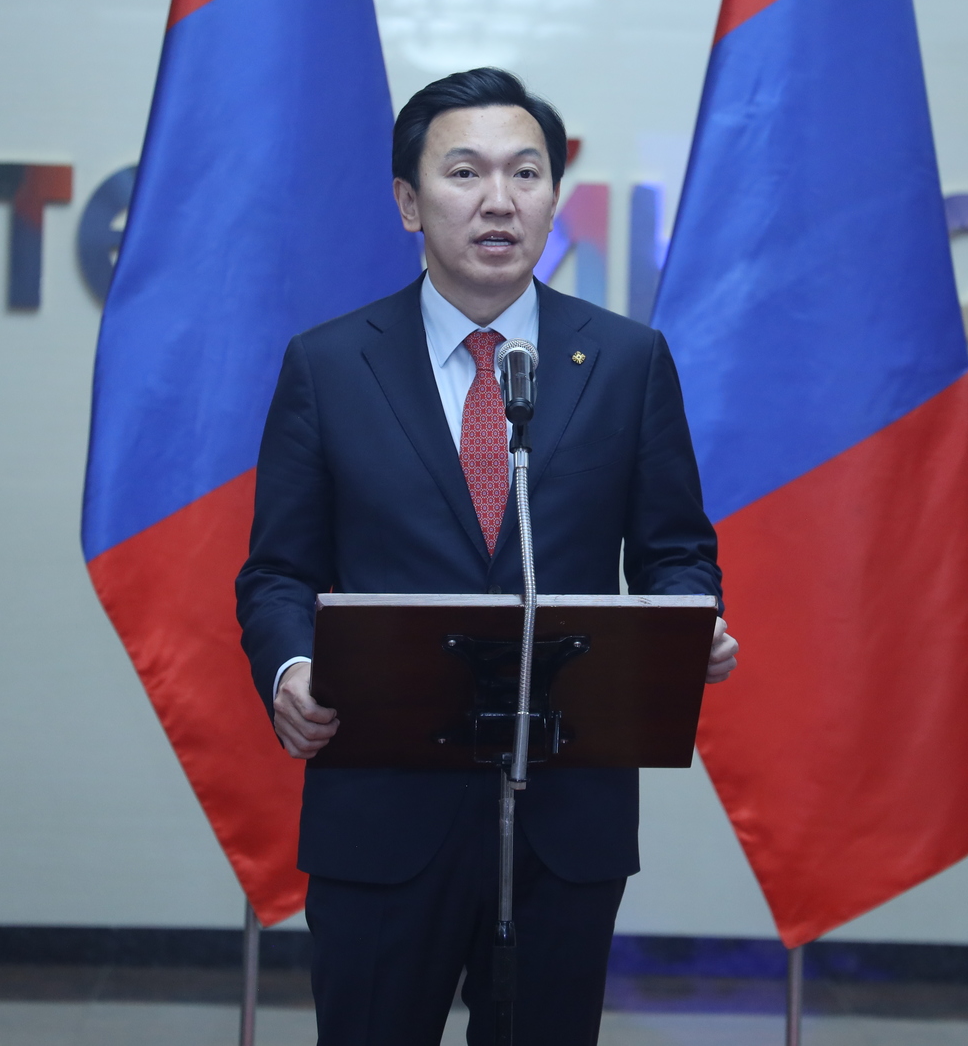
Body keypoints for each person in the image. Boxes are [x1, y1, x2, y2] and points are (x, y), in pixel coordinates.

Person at [235, 67, 738, 1046]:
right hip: (381, 815)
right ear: (408, 201)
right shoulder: (329, 365)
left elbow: (677, 552)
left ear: (554, 195)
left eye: (525, 172)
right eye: (464, 172)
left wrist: (691, 623)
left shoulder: (627, 360)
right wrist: (291, 667)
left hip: (565, 817)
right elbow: (278, 571)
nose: (498, 200)